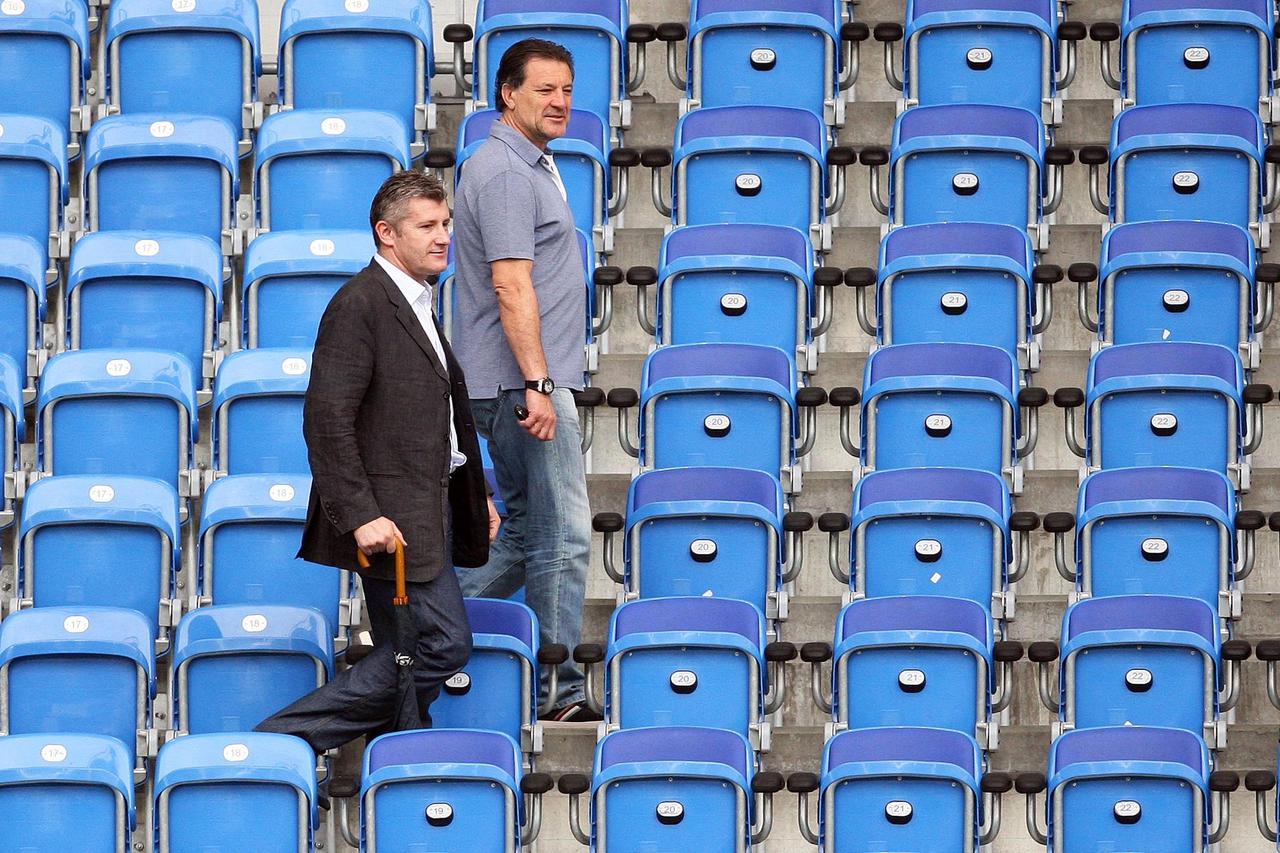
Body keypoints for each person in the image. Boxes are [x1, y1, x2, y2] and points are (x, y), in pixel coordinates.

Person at [256, 171, 501, 751]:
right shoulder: (360, 304)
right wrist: (361, 513)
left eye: (445, 224)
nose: (443, 236)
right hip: (391, 518)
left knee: (406, 650)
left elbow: (435, 416)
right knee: (441, 644)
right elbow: (327, 419)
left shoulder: (417, 299)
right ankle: (282, 742)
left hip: (426, 504)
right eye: (427, 226)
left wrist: (475, 494)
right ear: (386, 234)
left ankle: (401, 760)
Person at [451, 38, 597, 721]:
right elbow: (511, 282)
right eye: (545, 89)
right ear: (507, 94)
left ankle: (415, 617)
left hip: (519, 383)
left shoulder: (530, 164)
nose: (561, 101)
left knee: (522, 534)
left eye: (567, 89)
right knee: (564, 536)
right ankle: (561, 691)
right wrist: (538, 381)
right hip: (523, 387)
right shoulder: (507, 171)